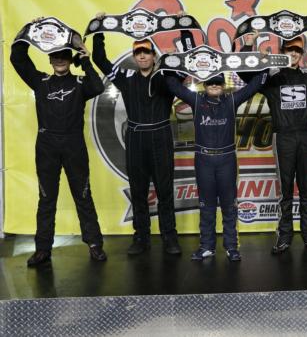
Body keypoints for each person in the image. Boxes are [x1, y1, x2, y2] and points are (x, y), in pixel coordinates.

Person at [11, 21, 107, 266]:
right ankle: (43, 249)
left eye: (64, 56)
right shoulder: (40, 82)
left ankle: (95, 244)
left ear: (68, 57)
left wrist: (85, 59)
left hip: (74, 144)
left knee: (83, 195)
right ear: (50, 59)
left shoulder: (80, 84)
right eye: (55, 56)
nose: (60, 60)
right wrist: (29, 29)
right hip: (47, 145)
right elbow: (17, 58)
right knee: (46, 198)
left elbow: (98, 86)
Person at [239, 30, 307, 254]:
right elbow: (245, 73)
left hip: (304, 136)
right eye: (289, 49)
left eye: (297, 50)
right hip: (282, 136)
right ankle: (284, 237)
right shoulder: (272, 77)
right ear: (282, 51)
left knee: (306, 190)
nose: (293, 53)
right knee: (285, 191)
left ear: (302, 53)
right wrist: (248, 45)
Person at [91, 21, 181, 255]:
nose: (142, 57)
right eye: (137, 53)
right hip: (136, 139)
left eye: (146, 52)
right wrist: (98, 29)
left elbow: (188, 62)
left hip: (161, 137)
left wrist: (183, 26)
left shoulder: (166, 77)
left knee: (164, 191)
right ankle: (141, 238)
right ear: (134, 56)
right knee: (138, 191)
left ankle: (170, 238)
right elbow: (100, 60)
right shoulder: (126, 77)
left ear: (154, 55)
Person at [165, 70, 266, 261]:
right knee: (206, 205)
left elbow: (255, 85)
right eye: (210, 83)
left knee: (229, 206)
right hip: (204, 160)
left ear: (223, 85)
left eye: (218, 83)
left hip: (227, 160)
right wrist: (178, 64)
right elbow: (172, 84)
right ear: (204, 85)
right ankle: (207, 246)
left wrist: (265, 67)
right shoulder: (196, 100)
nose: (214, 86)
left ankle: (231, 247)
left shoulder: (231, 101)